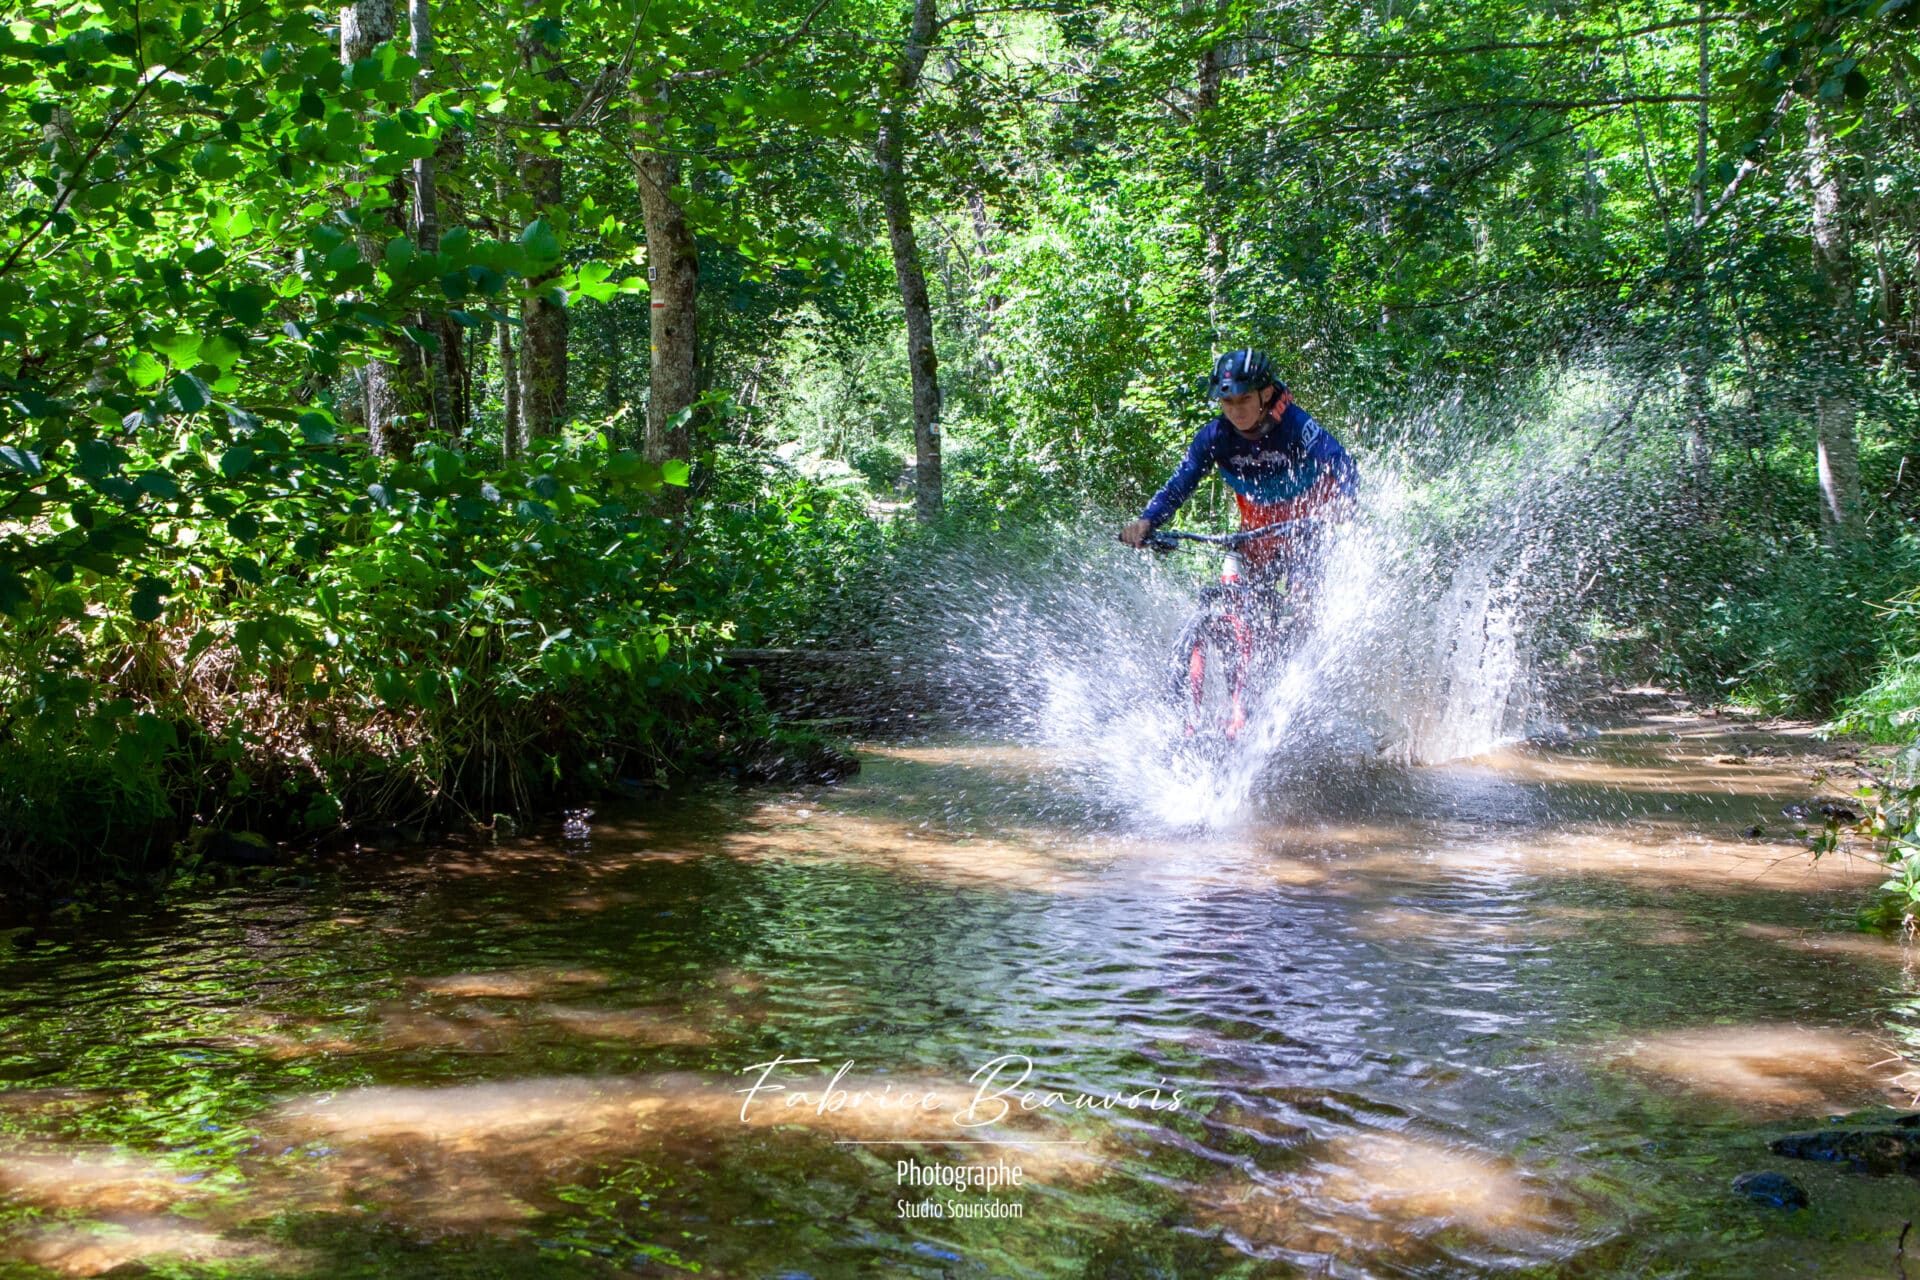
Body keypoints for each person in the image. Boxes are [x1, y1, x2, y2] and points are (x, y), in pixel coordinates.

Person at [1119, 348, 1357, 610]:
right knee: (1237, 595)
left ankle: (1305, 641)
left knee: (1302, 601)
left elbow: (1339, 459)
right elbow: (1181, 482)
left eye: (1244, 399)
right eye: (1227, 401)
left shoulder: (1294, 423)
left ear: (1265, 394)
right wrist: (1148, 519)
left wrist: (1345, 499)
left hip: (1310, 512)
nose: (1236, 411)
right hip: (1258, 518)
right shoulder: (1214, 436)